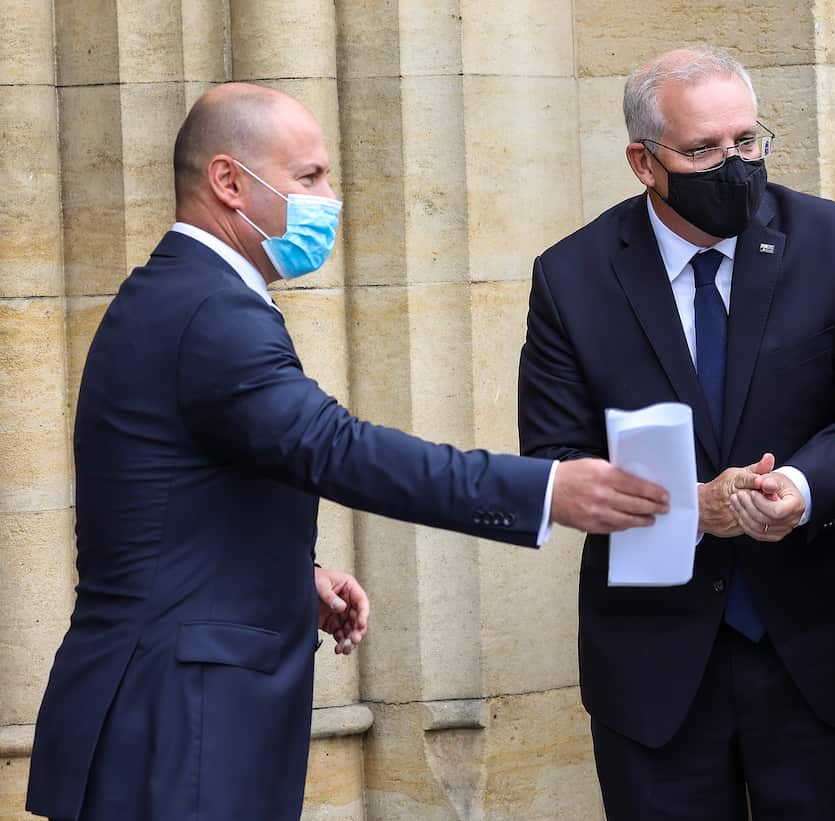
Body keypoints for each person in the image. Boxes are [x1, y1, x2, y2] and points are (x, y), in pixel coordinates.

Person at [25, 83, 669, 821]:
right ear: (229, 181)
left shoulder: (183, 292)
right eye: (309, 178)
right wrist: (546, 490)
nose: (329, 199)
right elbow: (336, 447)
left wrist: (291, 572)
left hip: (171, 708)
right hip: (179, 720)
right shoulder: (209, 310)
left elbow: (172, 497)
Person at [518, 46, 835, 820]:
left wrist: (796, 489)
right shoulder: (572, 277)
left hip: (825, 645)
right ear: (643, 161)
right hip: (656, 670)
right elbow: (553, 461)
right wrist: (689, 507)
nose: (733, 165)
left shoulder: (830, 243)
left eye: (746, 142)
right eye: (703, 150)